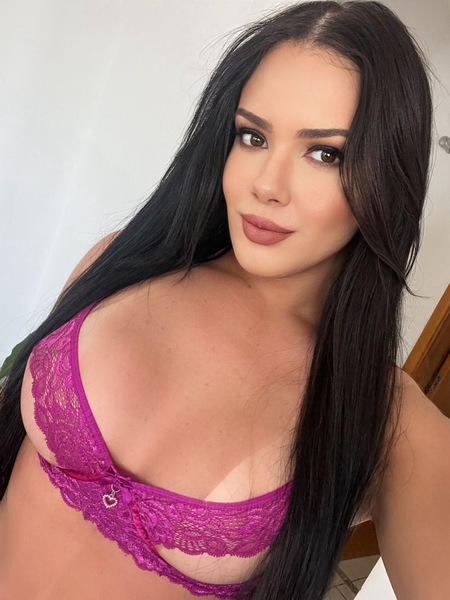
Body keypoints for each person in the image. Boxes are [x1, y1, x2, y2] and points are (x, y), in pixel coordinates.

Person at [0, 1, 449, 599]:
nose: (266, 184)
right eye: (252, 136)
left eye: (325, 153)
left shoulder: (385, 419)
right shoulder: (121, 263)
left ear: (387, 177)